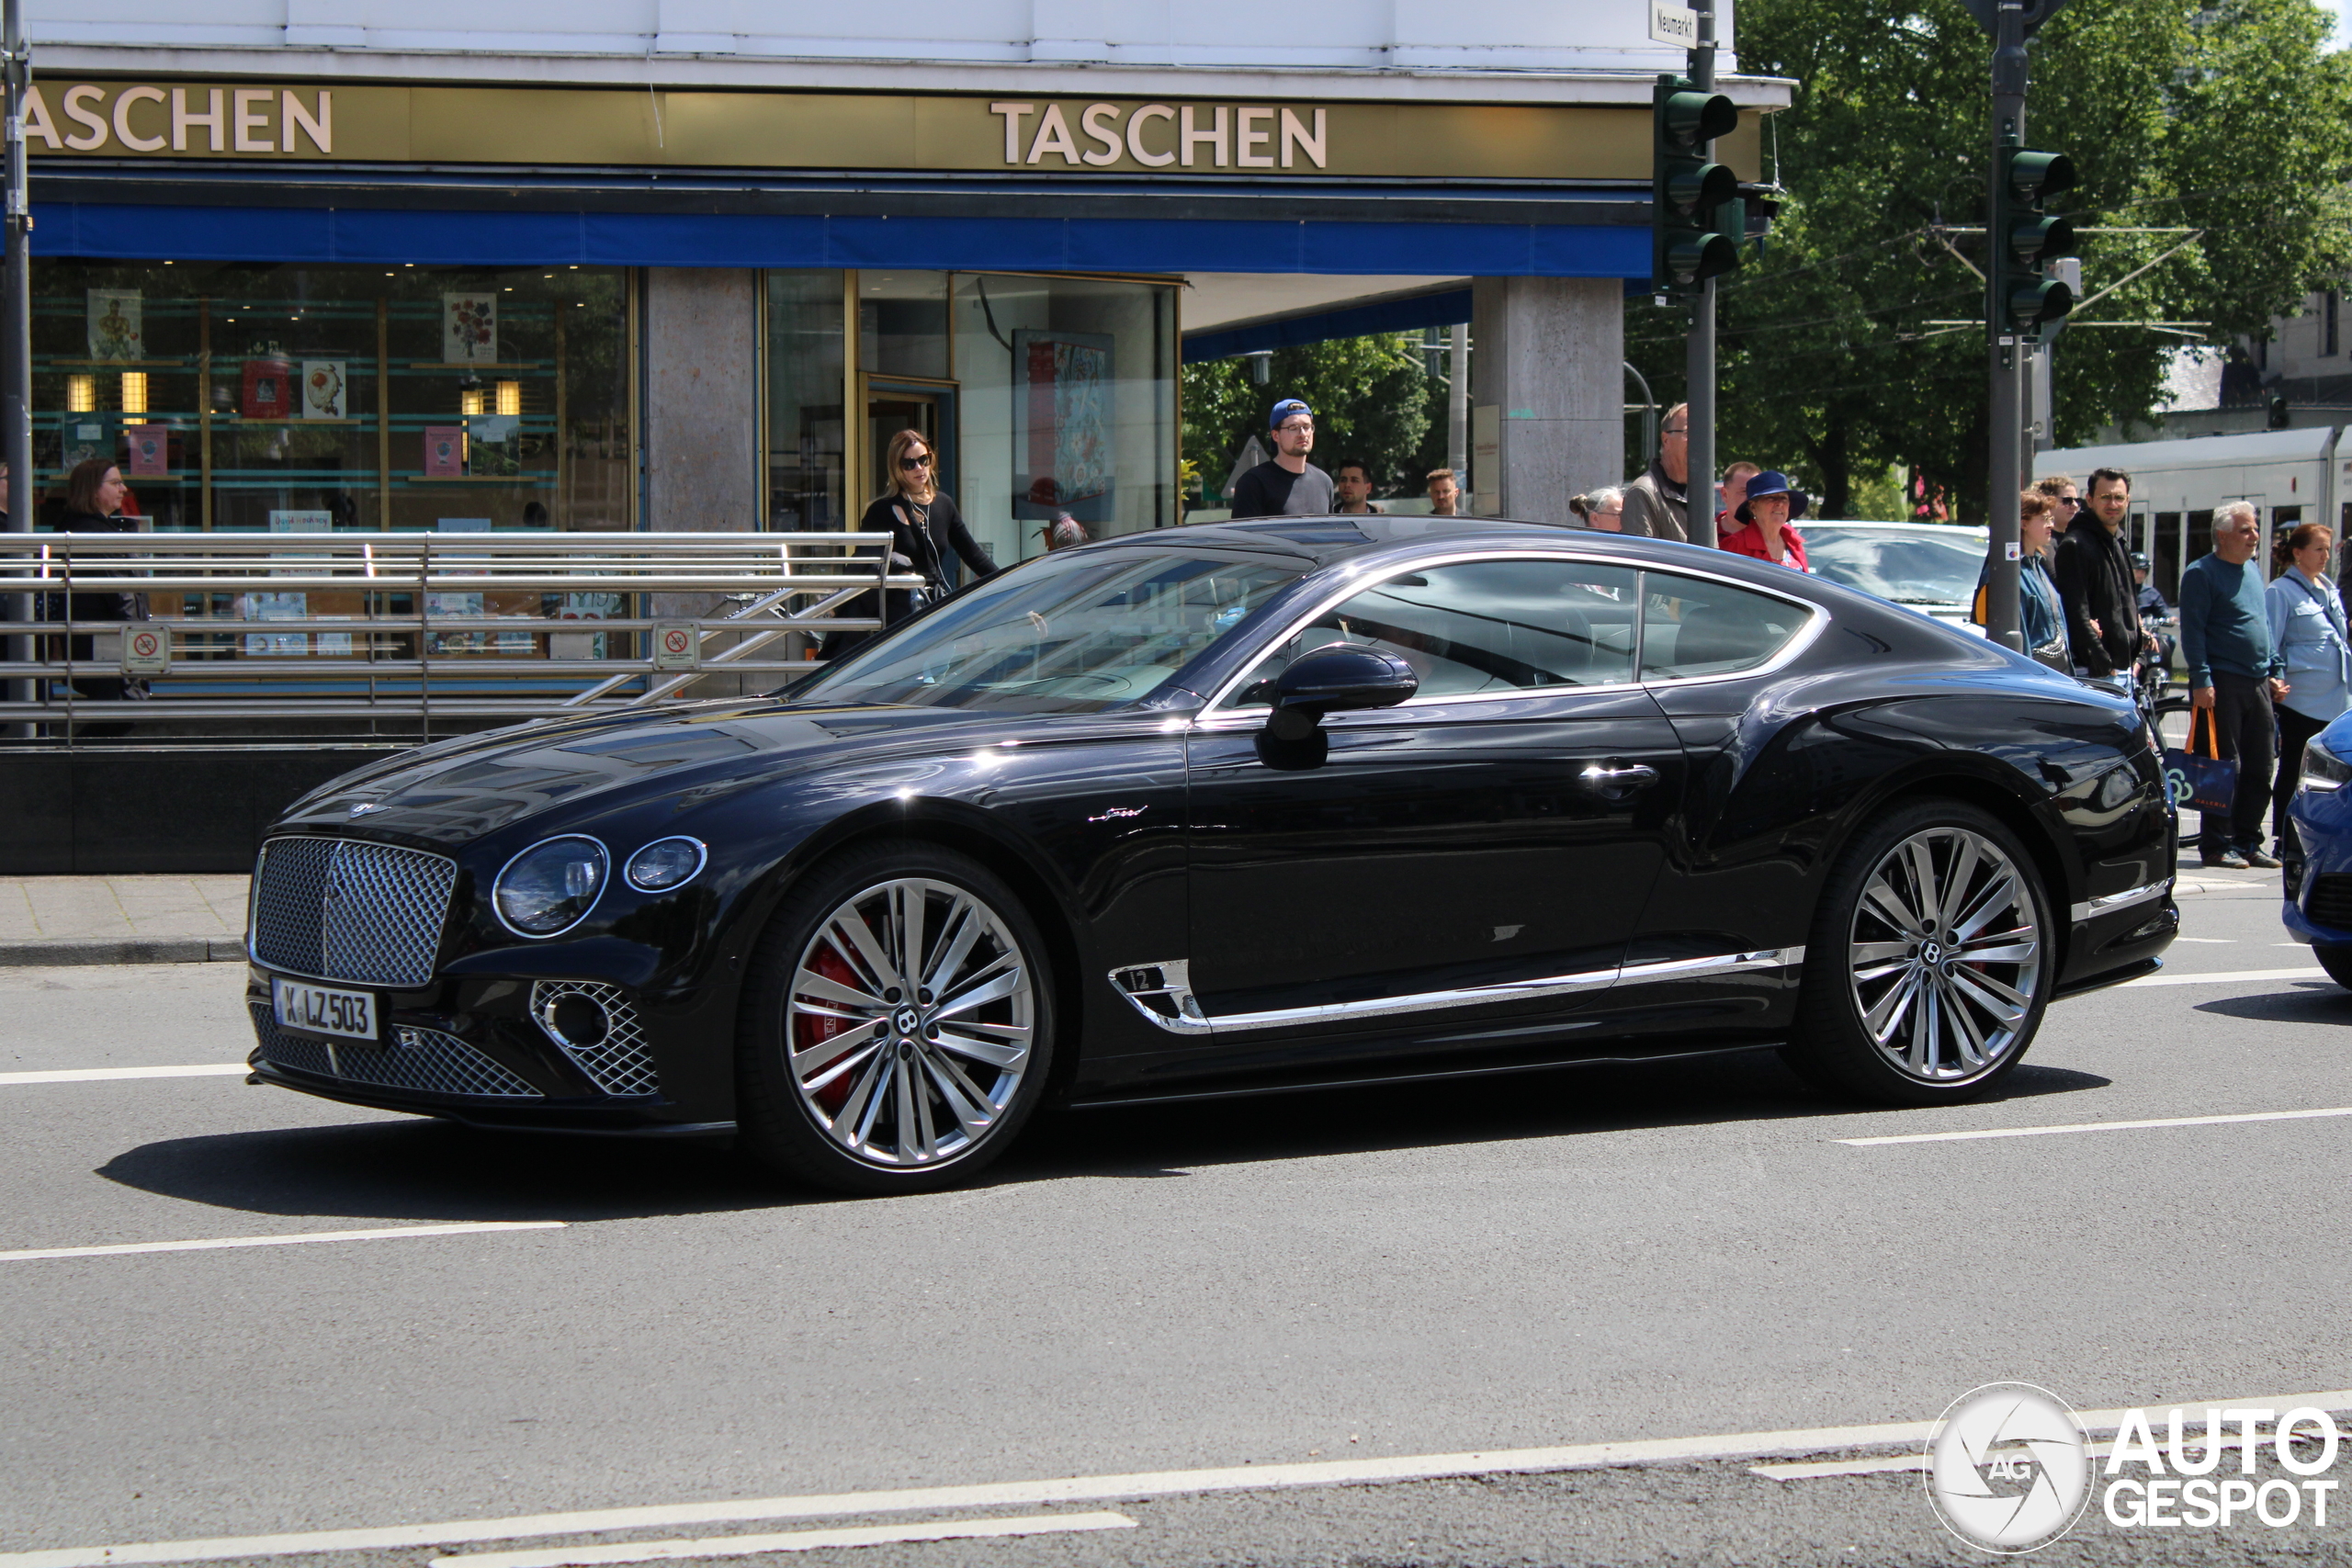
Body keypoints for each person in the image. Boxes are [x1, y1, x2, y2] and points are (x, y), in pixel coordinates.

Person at [2179, 502, 2288, 869]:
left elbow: (2263, 625)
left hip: (2257, 680)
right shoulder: (2201, 573)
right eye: (2245, 530)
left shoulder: (2253, 571)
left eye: (2255, 529)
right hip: (2222, 680)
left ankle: (2247, 840)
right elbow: (2192, 630)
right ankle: (2216, 844)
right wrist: (2201, 678)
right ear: (2222, 536)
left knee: (2261, 765)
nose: (2254, 537)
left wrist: (2275, 668)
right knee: (2226, 767)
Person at [830, 429, 995, 659]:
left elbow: (974, 556)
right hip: (896, 615)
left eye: (923, 460)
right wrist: (900, 572)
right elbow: (866, 561)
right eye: (909, 464)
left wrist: (1018, 592)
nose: (919, 468)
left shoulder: (943, 504)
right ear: (897, 468)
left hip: (933, 612)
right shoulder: (881, 510)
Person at [2267, 522, 2351, 859]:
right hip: (2300, 698)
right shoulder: (2281, 591)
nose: (2325, 556)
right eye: (2318, 549)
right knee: (2293, 768)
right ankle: (2282, 838)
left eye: (2328, 549)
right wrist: (2275, 676)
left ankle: (2322, 837)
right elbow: (2272, 640)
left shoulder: (2328, 589)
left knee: (2332, 772)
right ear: (2297, 553)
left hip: (2335, 698)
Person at [51, 457, 148, 734]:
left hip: (100, 635)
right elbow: (119, 593)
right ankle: (78, 770)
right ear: (93, 489)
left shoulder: (92, 528)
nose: (123, 488)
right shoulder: (89, 533)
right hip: (104, 637)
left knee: (115, 713)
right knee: (116, 714)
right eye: (115, 482)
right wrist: (137, 633)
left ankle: (83, 768)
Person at [2052, 466, 2147, 679]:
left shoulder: (2119, 543)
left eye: (2119, 497)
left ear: (2127, 500)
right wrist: (2104, 665)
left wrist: (2138, 657)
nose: (2113, 504)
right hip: (2096, 673)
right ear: (2090, 499)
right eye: (2105, 497)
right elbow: (2076, 613)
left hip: (2124, 670)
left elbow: (2129, 605)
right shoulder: (2075, 545)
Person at [1973, 491, 2069, 671]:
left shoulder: (2037, 565)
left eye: (2050, 518)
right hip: (2034, 676)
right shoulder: (2008, 572)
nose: (2051, 524)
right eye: (2044, 518)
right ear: (2023, 523)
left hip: (2053, 674)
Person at [1228, 399, 1333, 519]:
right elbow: (1243, 536)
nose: (1303, 434)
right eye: (1293, 428)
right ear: (1275, 435)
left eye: (1307, 427)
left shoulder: (1324, 482)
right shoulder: (1254, 483)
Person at [1620, 404, 1690, 542]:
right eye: (1688, 433)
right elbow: (1639, 557)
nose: (1699, 441)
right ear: (1666, 440)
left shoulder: (1701, 493)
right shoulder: (1643, 492)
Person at [1718, 469, 1809, 570]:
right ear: (1753, 507)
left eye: (1783, 498)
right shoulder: (1736, 544)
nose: (1779, 503)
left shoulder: (1793, 541)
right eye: (1771, 497)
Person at [1715, 461, 1759, 536]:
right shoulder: (1706, 535)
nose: (1751, 498)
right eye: (1744, 491)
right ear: (1725, 494)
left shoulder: (1774, 535)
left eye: (1756, 492)